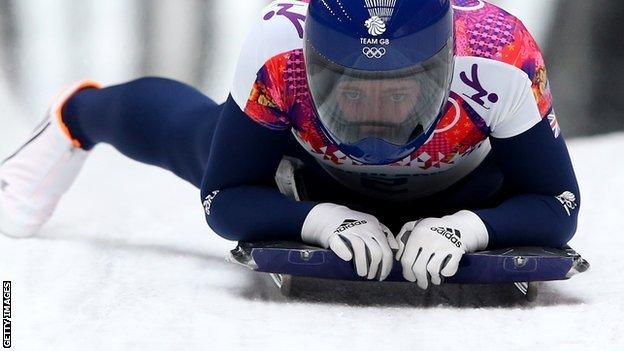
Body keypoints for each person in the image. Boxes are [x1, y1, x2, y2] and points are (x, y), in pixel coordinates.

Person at [0, 0, 580, 289]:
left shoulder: (501, 54)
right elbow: (223, 195)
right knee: (194, 136)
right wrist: (319, 219)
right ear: (313, 64)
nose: (374, 122)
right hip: (310, 172)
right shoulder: (278, 46)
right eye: (353, 94)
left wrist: (470, 227)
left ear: (445, 66)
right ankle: (76, 114)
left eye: (396, 95)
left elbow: (558, 203)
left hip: (469, 184)